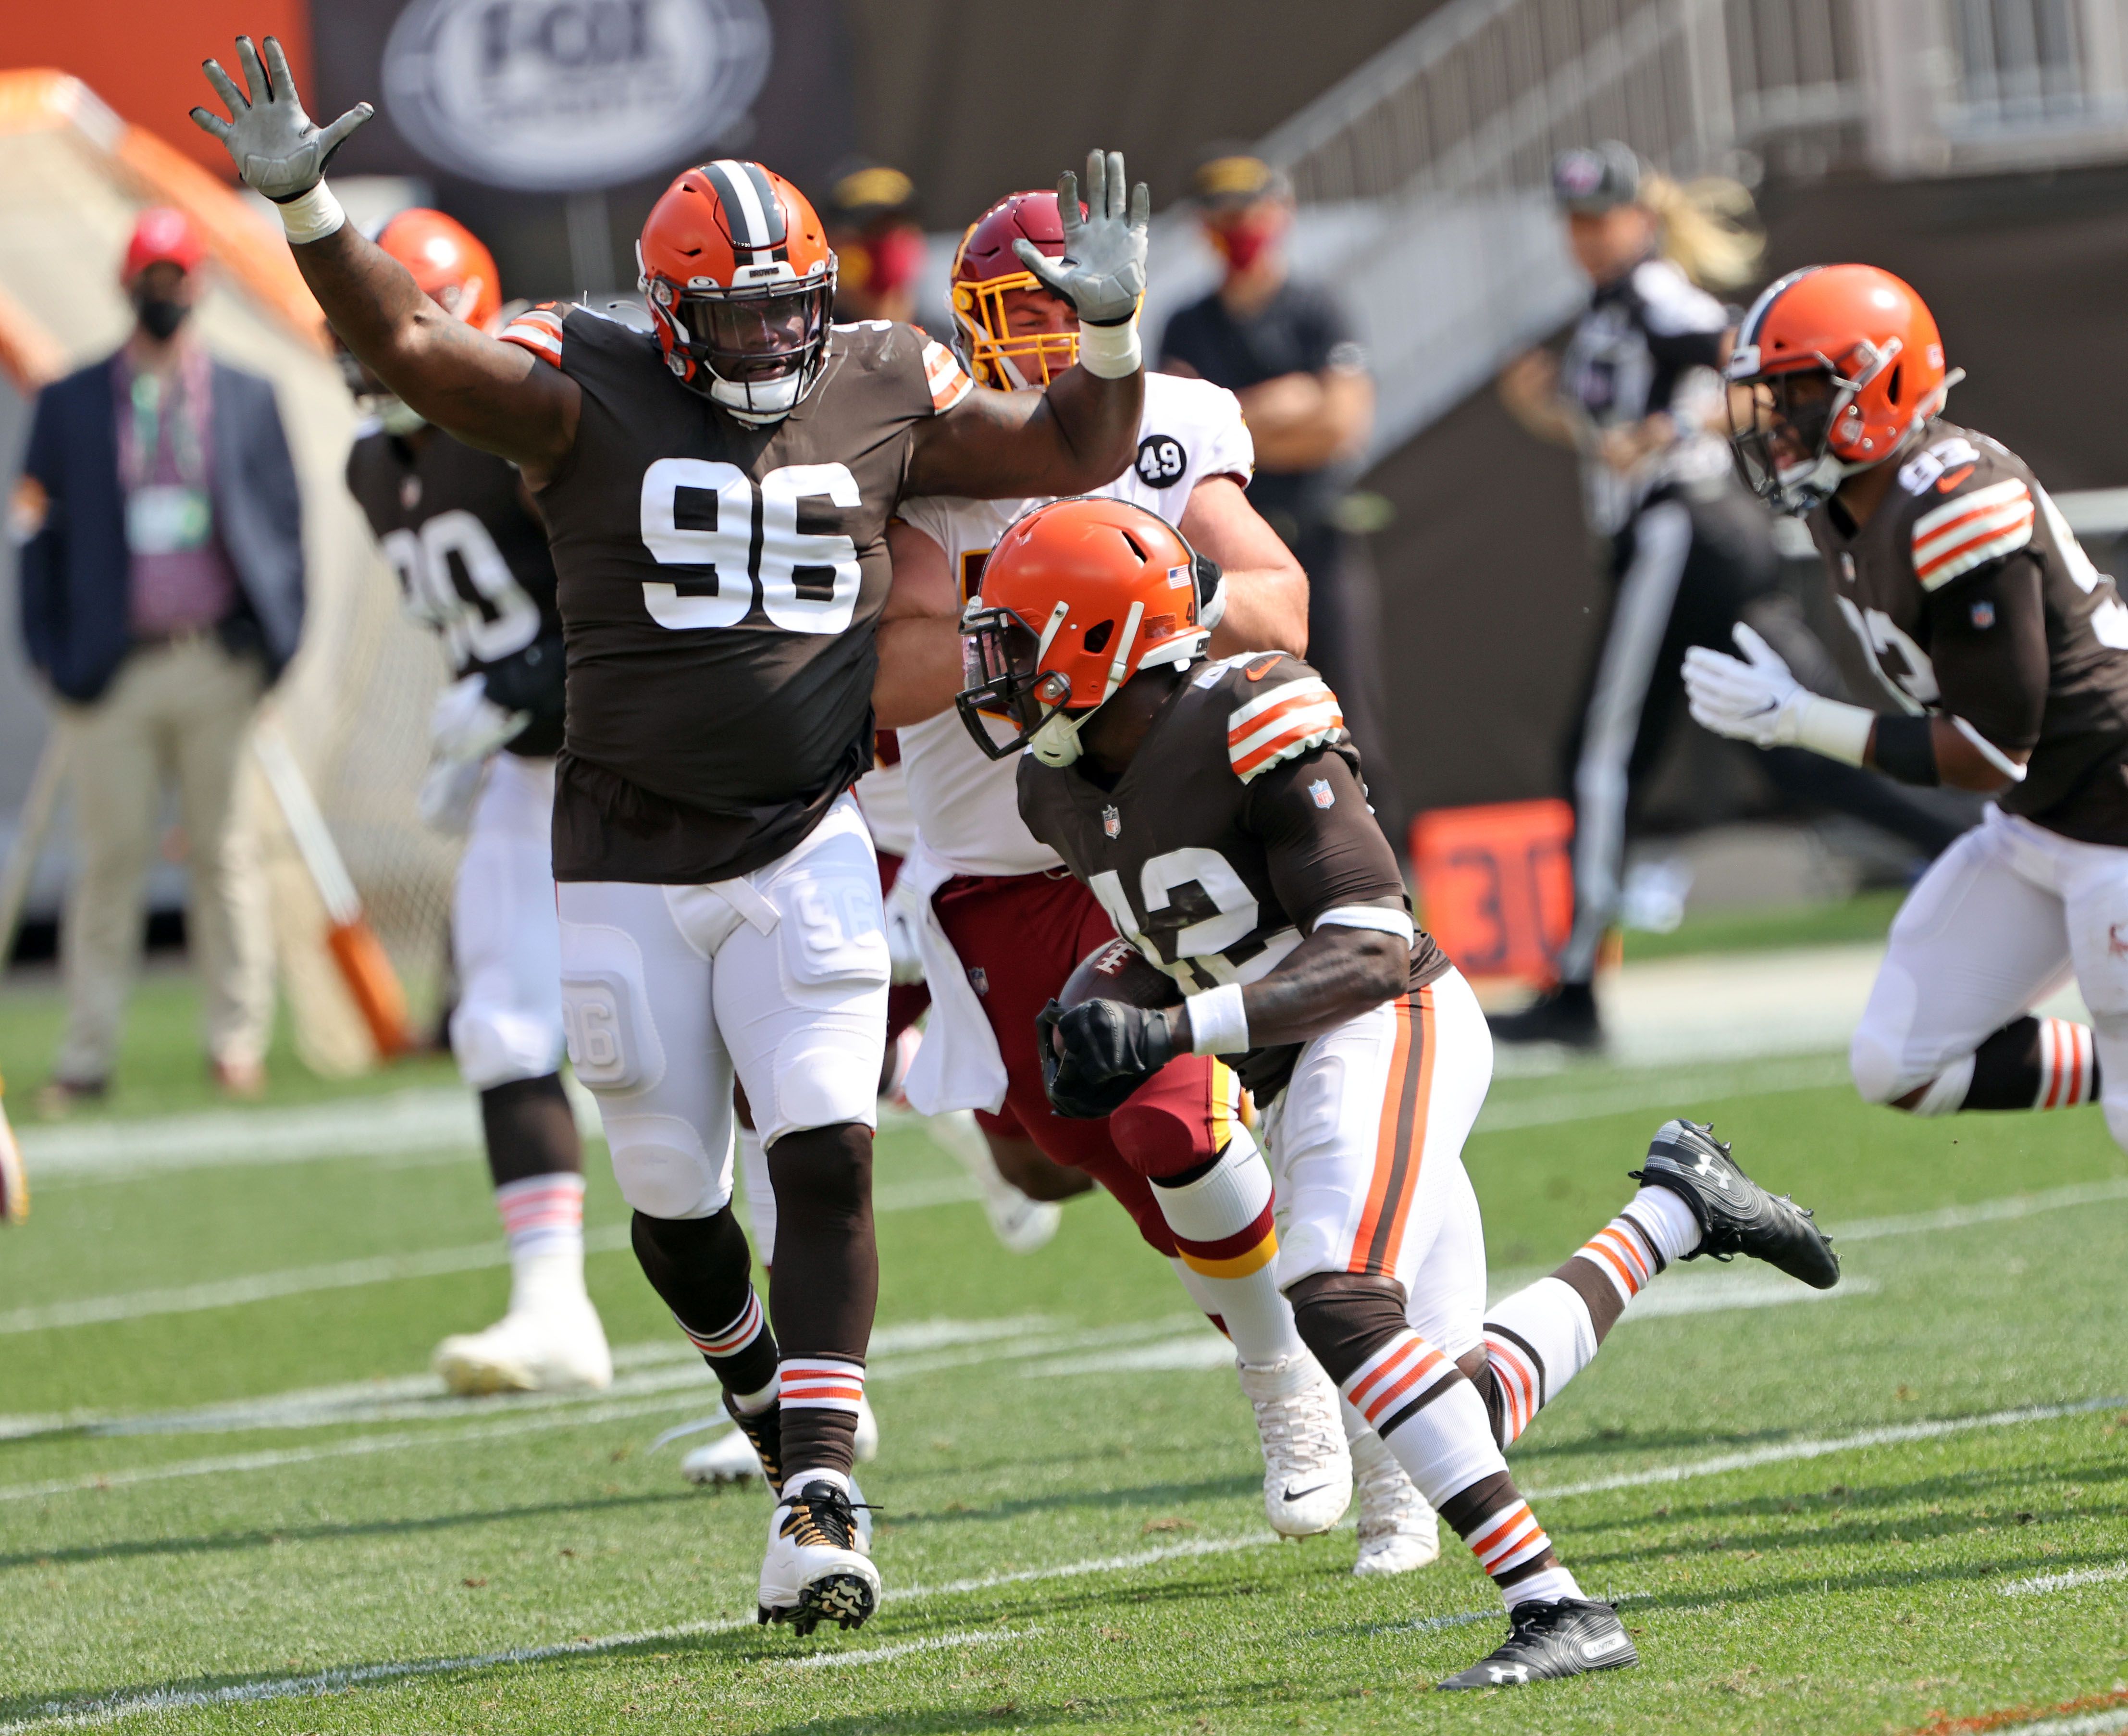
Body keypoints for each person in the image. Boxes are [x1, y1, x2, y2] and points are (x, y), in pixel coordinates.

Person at [193, 35, 1149, 1636]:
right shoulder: (588, 386)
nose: (777, 339)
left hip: (804, 842)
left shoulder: (874, 372)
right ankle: (768, 1414)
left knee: (828, 1156)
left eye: (795, 306)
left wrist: (1110, 326)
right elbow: (421, 353)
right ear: (668, 312)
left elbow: (1072, 452)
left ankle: (822, 1484)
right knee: (674, 1205)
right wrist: (308, 212)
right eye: (741, 314)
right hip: (624, 862)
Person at [973, 493, 1840, 1687]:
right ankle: (1673, 1210)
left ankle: (1557, 1606)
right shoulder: (1055, 788)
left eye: (1015, 640)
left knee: (1329, 1292)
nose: (993, 671)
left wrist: (1173, 1027)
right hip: (1289, 1070)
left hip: (1388, 1021)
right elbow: (1175, 924)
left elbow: (1370, 944)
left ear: (1100, 637)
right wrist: (1095, 992)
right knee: (1444, 1410)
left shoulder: (1252, 714)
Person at [869, 186, 1434, 1569]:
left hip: (1150, 829)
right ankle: (1292, 1355)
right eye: (1016, 319)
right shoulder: (936, 455)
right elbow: (909, 662)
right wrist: (1015, 608)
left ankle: (1337, 1403)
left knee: (1176, 1121)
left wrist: (1121, 594)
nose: (1045, 346)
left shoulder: (1175, 423)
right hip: (995, 856)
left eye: (1068, 310)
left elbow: (1279, 603)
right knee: (1069, 1141)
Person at [1492, 143, 1967, 1049]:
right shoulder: (1610, 308)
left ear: (1640, 217)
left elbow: (1759, 383)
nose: (1584, 237)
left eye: (1600, 218)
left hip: (1684, 533)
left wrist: (1670, 423)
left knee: (1597, 758)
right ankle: (1984, 842)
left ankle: (1576, 981)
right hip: (1693, 538)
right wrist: (1551, 413)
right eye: (1573, 221)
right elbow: (1617, 440)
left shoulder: (1660, 297)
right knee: (1801, 748)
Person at [1687, 264, 2128, 1146]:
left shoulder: (1956, 502)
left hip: (2111, 811)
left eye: (1798, 392)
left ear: (1877, 382)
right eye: (1769, 397)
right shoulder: (1843, 495)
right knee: (1898, 1059)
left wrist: (1796, 718)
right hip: (2037, 825)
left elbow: (1991, 750)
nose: (1776, 423)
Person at [340, 209, 609, 1398]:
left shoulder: (525, 430)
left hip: (626, 755)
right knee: (499, 1023)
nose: (378, 360)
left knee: (690, 1044)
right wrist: (491, 706)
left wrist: (524, 683)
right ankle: (550, 1305)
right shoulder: (370, 466)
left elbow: (626, 596)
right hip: (522, 767)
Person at [15, 205, 302, 1114]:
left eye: (178, 278)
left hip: (216, 662)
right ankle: (87, 1052)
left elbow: (285, 533)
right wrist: (54, 660)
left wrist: (270, 652)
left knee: (226, 859)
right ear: (126, 283)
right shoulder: (68, 401)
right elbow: (34, 537)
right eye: (153, 278)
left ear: (200, 283)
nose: (166, 294)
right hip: (115, 672)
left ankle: (238, 1042)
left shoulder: (247, 394)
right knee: (109, 865)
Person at [1158, 153, 1397, 841]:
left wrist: (1230, 416)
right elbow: (1181, 445)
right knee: (1235, 721)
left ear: (1281, 214)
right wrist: (1282, 404)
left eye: (1250, 215)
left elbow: (1341, 426)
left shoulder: (1316, 309)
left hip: (1319, 539)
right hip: (1233, 551)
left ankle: (1385, 882)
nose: (1239, 231)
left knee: (1352, 715)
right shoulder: (1188, 324)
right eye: (1224, 219)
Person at [819, 161, 927, 328]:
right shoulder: (807, 346)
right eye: (870, 230)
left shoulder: (948, 345)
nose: (886, 244)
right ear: (831, 241)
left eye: (895, 229)